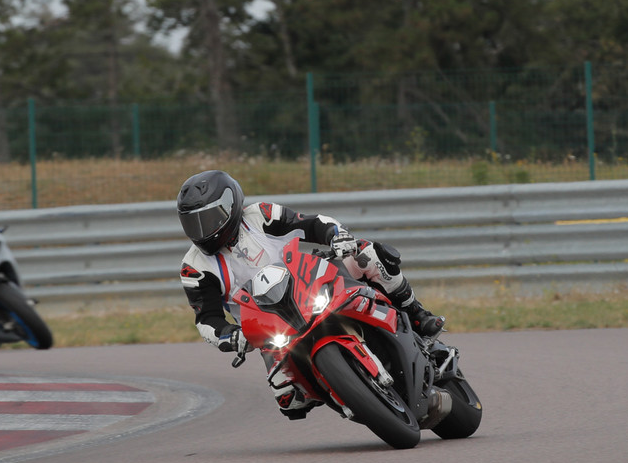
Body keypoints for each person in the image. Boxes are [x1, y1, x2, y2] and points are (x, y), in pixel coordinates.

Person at [176, 169, 445, 419]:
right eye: (193, 224)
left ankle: (416, 312)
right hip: (271, 328)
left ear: (230, 206)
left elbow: (312, 223)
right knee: (291, 401)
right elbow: (207, 320)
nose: (202, 231)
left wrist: (336, 236)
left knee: (366, 254)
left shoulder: (260, 215)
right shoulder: (194, 267)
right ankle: (350, 393)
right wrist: (232, 336)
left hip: (312, 285)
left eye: (208, 219)